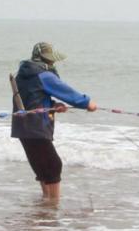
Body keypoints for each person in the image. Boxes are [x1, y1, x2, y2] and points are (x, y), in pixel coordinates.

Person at [9, 41, 96, 203]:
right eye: (50, 59)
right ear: (44, 59)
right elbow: (68, 93)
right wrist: (88, 103)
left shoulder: (22, 74)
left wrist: (53, 106)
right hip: (37, 127)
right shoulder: (44, 75)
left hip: (22, 127)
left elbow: (32, 99)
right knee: (54, 165)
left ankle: (46, 203)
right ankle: (53, 205)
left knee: (41, 166)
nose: (52, 62)